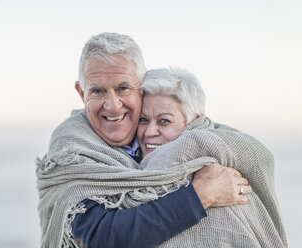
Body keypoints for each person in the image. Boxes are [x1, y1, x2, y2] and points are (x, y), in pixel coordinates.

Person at [36, 33, 250, 248]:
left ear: (141, 86)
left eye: (123, 88)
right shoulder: (71, 149)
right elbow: (102, 237)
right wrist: (201, 195)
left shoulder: (183, 139)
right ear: (81, 93)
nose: (113, 105)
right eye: (97, 91)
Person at [134, 67, 288, 247]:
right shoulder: (127, 167)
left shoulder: (220, 178)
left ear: (193, 121)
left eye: (165, 121)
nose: (149, 132)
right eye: (143, 120)